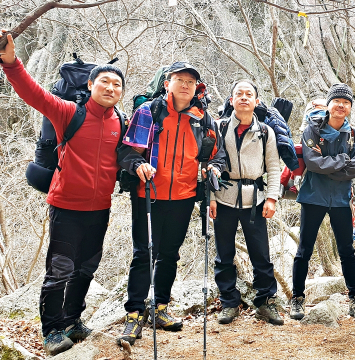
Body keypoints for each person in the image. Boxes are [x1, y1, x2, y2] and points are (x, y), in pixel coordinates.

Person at [0, 31, 124, 355]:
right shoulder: (70, 113)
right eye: (105, 82)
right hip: (66, 207)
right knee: (60, 271)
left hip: (100, 208)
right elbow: (34, 93)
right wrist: (10, 62)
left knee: (87, 267)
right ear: (90, 85)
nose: (111, 88)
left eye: (117, 85)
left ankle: (71, 320)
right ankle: (52, 330)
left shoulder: (120, 123)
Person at [116, 62, 226, 345]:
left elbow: (217, 155)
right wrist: (138, 164)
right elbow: (128, 151)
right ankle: (135, 313)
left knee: (170, 253)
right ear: (167, 83)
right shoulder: (149, 112)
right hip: (148, 194)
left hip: (184, 196)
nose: (186, 85)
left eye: (191, 81)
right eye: (180, 79)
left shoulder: (203, 119)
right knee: (144, 253)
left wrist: (212, 168)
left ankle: (160, 307)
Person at [289, 83, 355, 320]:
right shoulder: (312, 131)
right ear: (329, 104)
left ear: (350, 108)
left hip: (342, 201)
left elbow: (354, 169)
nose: (341, 106)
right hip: (314, 196)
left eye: (346, 103)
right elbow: (313, 163)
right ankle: (297, 298)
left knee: (347, 250)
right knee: (304, 249)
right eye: (337, 101)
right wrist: (341, 161)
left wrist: (330, 164)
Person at [211, 79, 283, 325]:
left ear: (256, 101)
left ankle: (265, 302)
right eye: (238, 94)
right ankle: (229, 303)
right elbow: (208, 166)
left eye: (248, 94)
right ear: (231, 100)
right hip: (223, 197)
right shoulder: (219, 128)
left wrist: (272, 198)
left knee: (261, 255)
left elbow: (274, 167)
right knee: (224, 255)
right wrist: (209, 198)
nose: (243, 97)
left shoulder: (265, 131)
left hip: (255, 200)